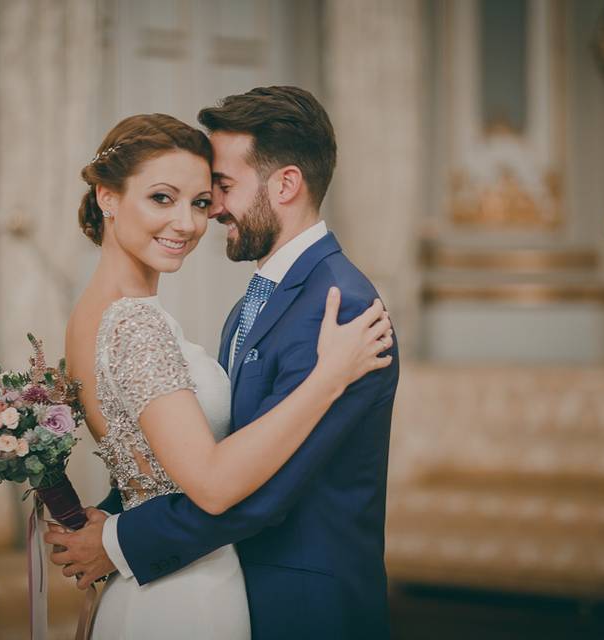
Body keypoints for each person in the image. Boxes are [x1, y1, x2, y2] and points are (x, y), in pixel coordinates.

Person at [50, 108, 395, 639]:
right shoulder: (232, 305)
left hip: (302, 600)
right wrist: (117, 523)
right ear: (108, 197)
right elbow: (178, 459)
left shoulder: (340, 307)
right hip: (194, 587)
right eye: (165, 198)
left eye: (215, 193)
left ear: (285, 184)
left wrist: (119, 540)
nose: (199, 220)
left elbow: (267, 487)